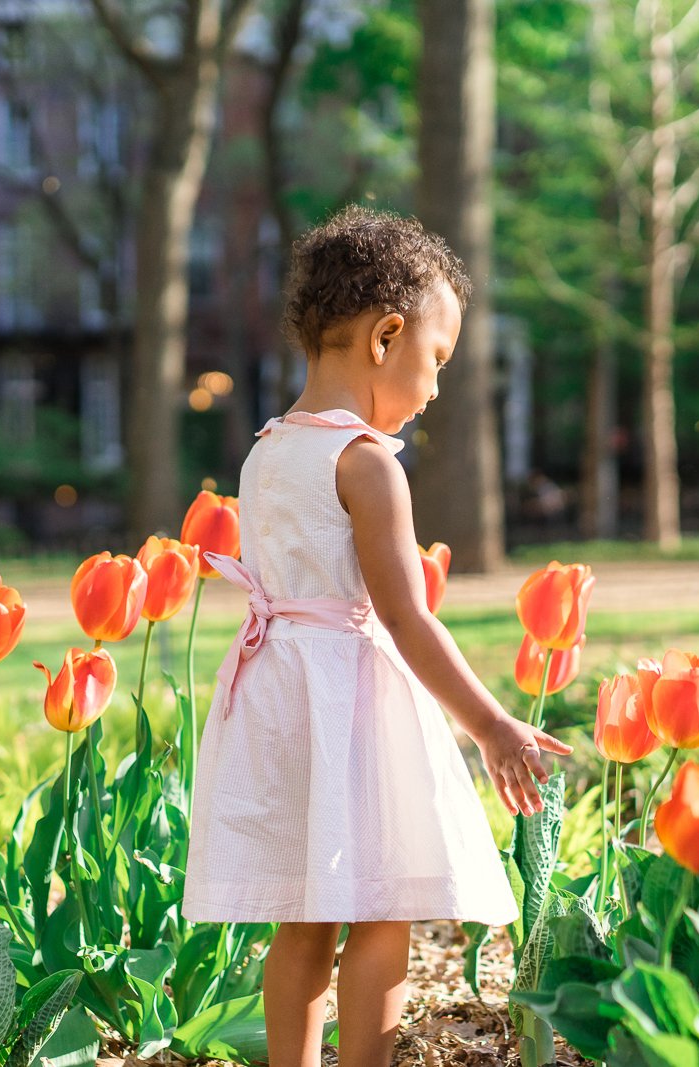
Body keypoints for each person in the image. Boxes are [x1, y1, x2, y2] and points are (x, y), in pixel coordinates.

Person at [181, 204, 573, 1067]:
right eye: (436, 359)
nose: (434, 387)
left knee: (305, 921)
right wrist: (491, 725)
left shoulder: (267, 449)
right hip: (349, 699)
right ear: (386, 336)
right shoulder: (365, 463)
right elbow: (405, 615)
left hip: (279, 696)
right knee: (383, 910)